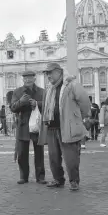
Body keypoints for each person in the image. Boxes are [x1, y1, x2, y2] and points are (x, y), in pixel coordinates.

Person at [38, 63, 91, 191]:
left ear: (59, 72)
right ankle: (58, 179)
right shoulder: (49, 89)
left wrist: (76, 118)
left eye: (50, 73)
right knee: (53, 158)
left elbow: (85, 103)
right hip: (51, 127)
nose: (48, 75)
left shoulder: (72, 85)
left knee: (71, 158)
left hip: (67, 127)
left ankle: (74, 181)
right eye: (46, 73)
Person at [10, 70, 46, 184]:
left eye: (30, 78)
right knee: (22, 153)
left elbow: (47, 105)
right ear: (23, 79)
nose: (28, 80)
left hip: (37, 125)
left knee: (39, 153)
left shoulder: (42, 91)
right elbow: (13, 108)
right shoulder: (17, 92)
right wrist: (21, 101)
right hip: (23, 125)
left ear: (34, 79)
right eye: (25, 78)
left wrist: (37, 104)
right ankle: (23, 176)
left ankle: (40, 177)